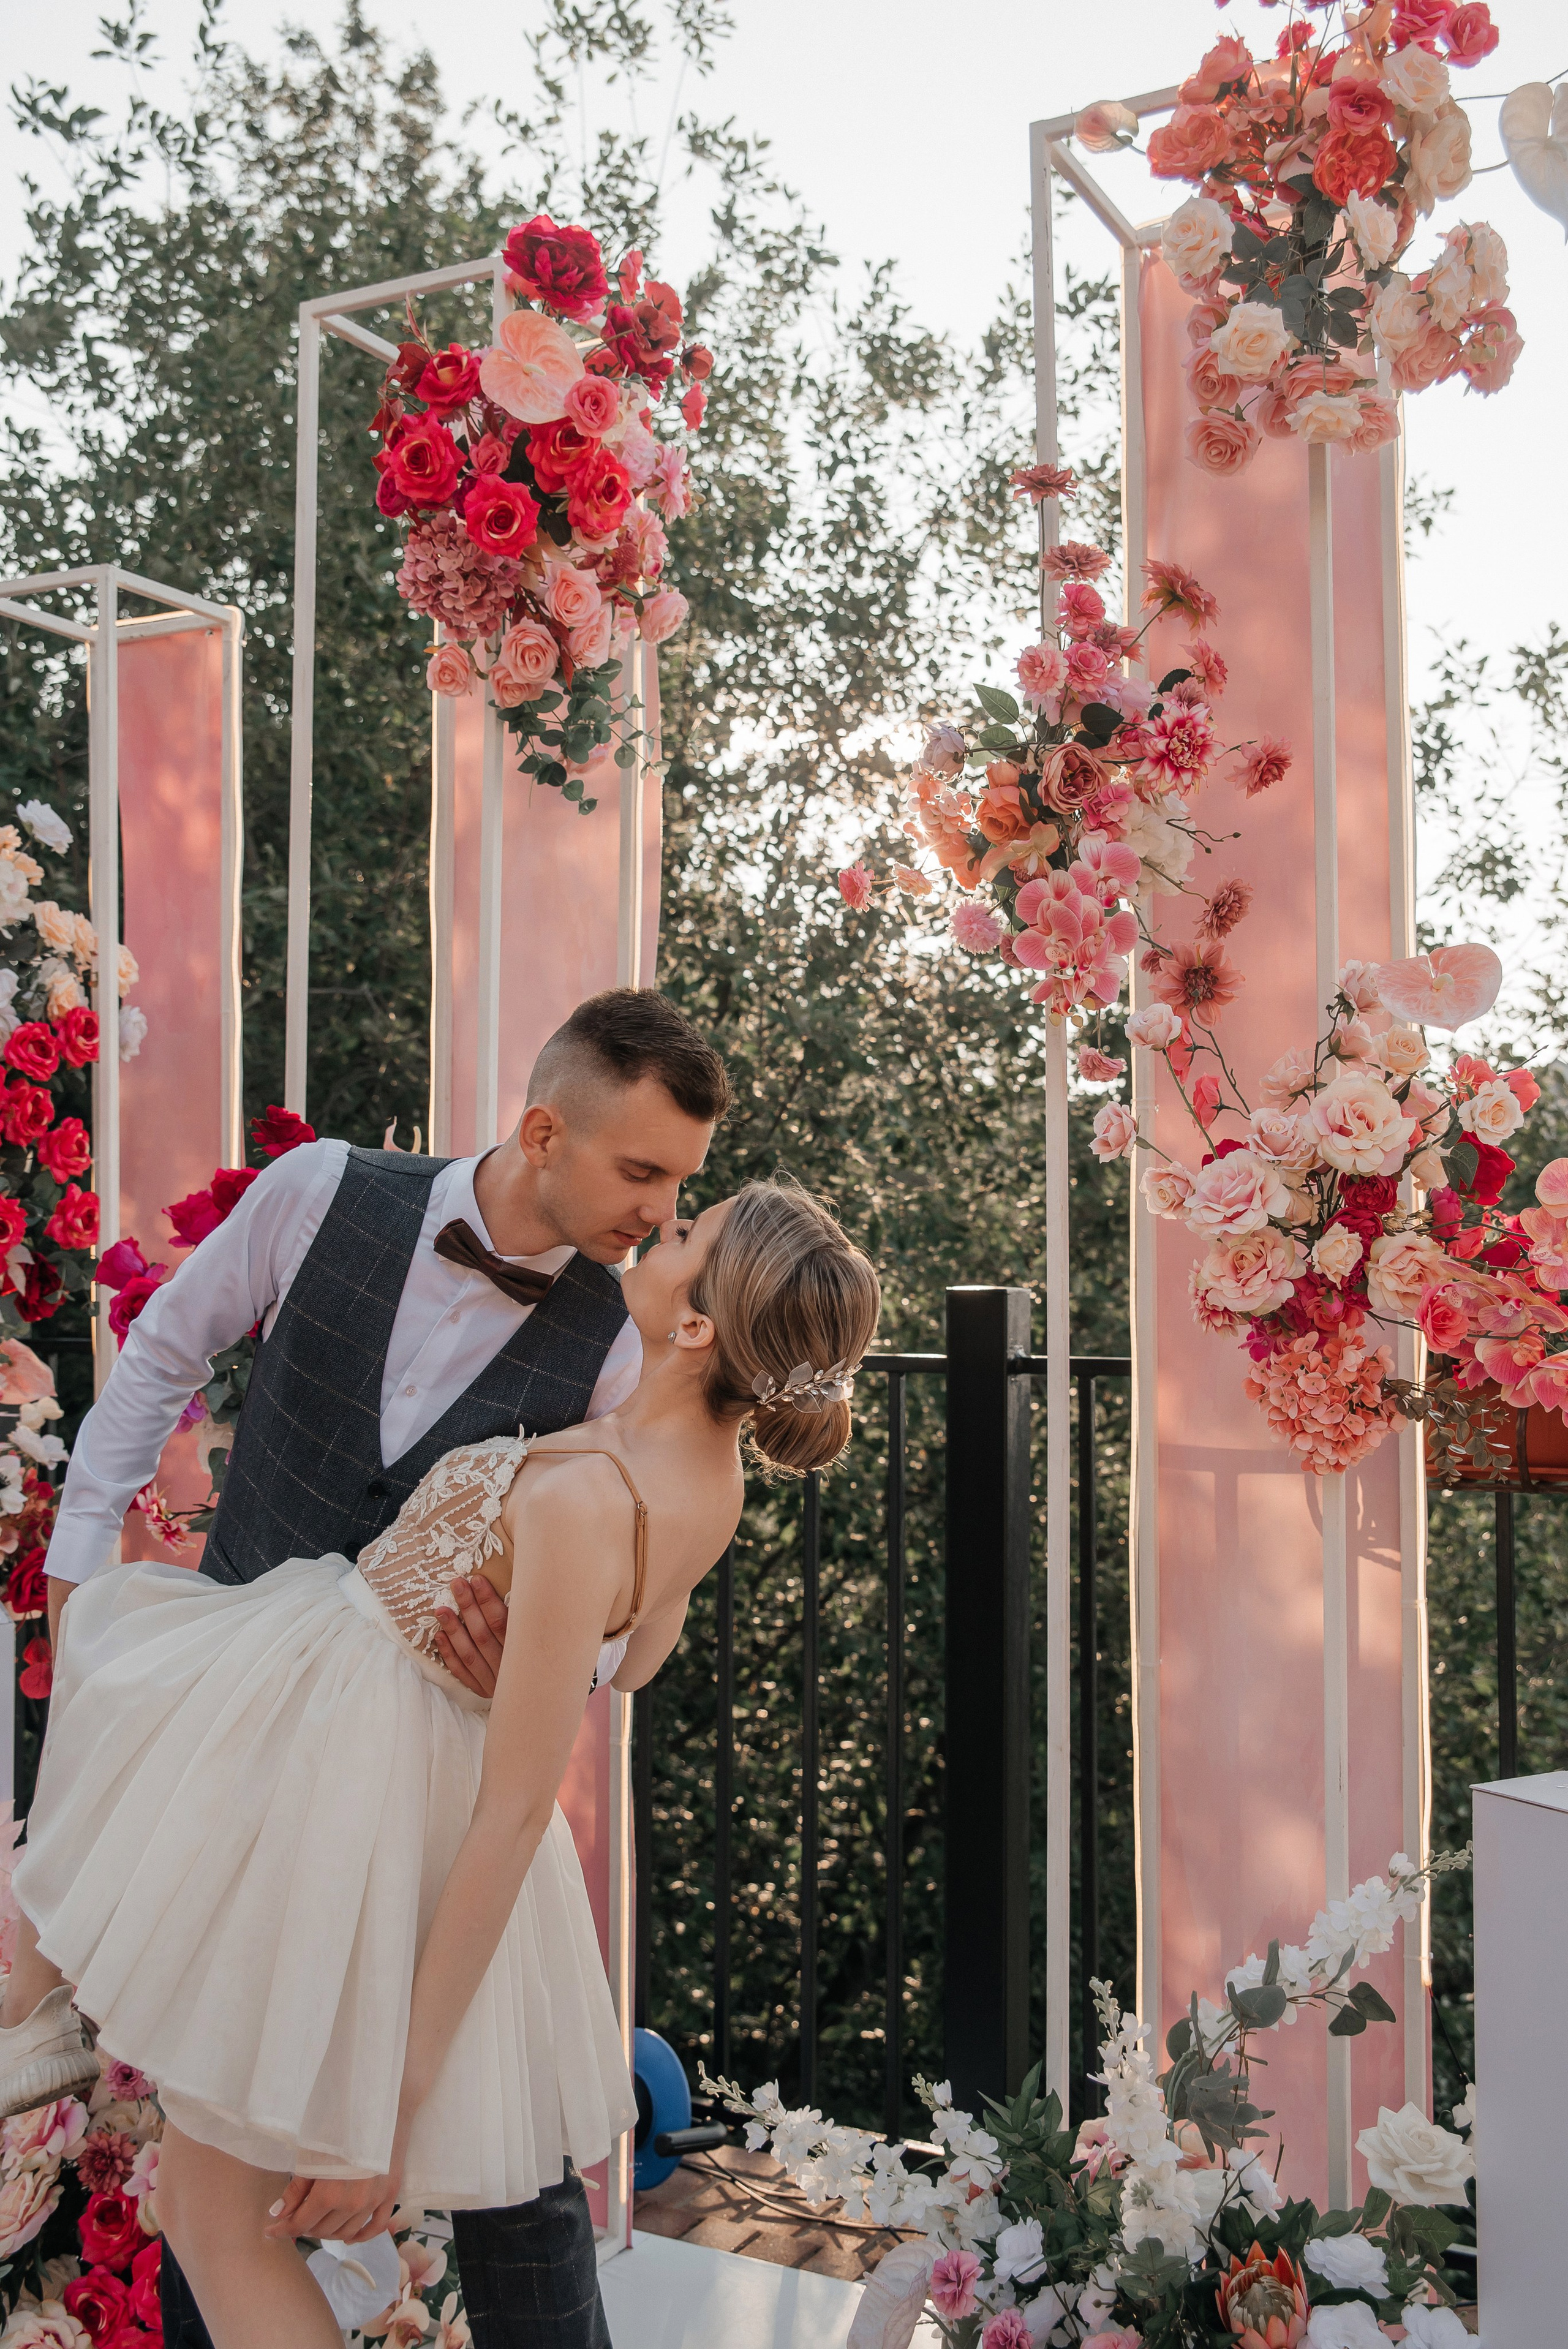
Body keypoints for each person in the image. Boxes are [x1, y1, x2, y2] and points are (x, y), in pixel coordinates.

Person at [0, 1177, 881, 2349]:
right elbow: (637, 1656)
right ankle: (40, 2012)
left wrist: (391, 2106)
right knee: (213, 2209)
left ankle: (41, 2015)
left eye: (690, 1235)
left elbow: (515, 1813)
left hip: (348, 1778)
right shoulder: (705, 1477)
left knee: (216, 2220)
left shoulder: (594, 1493)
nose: (663, 1227)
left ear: (698, 1324)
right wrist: (544, 1641)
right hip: (343, 1712)